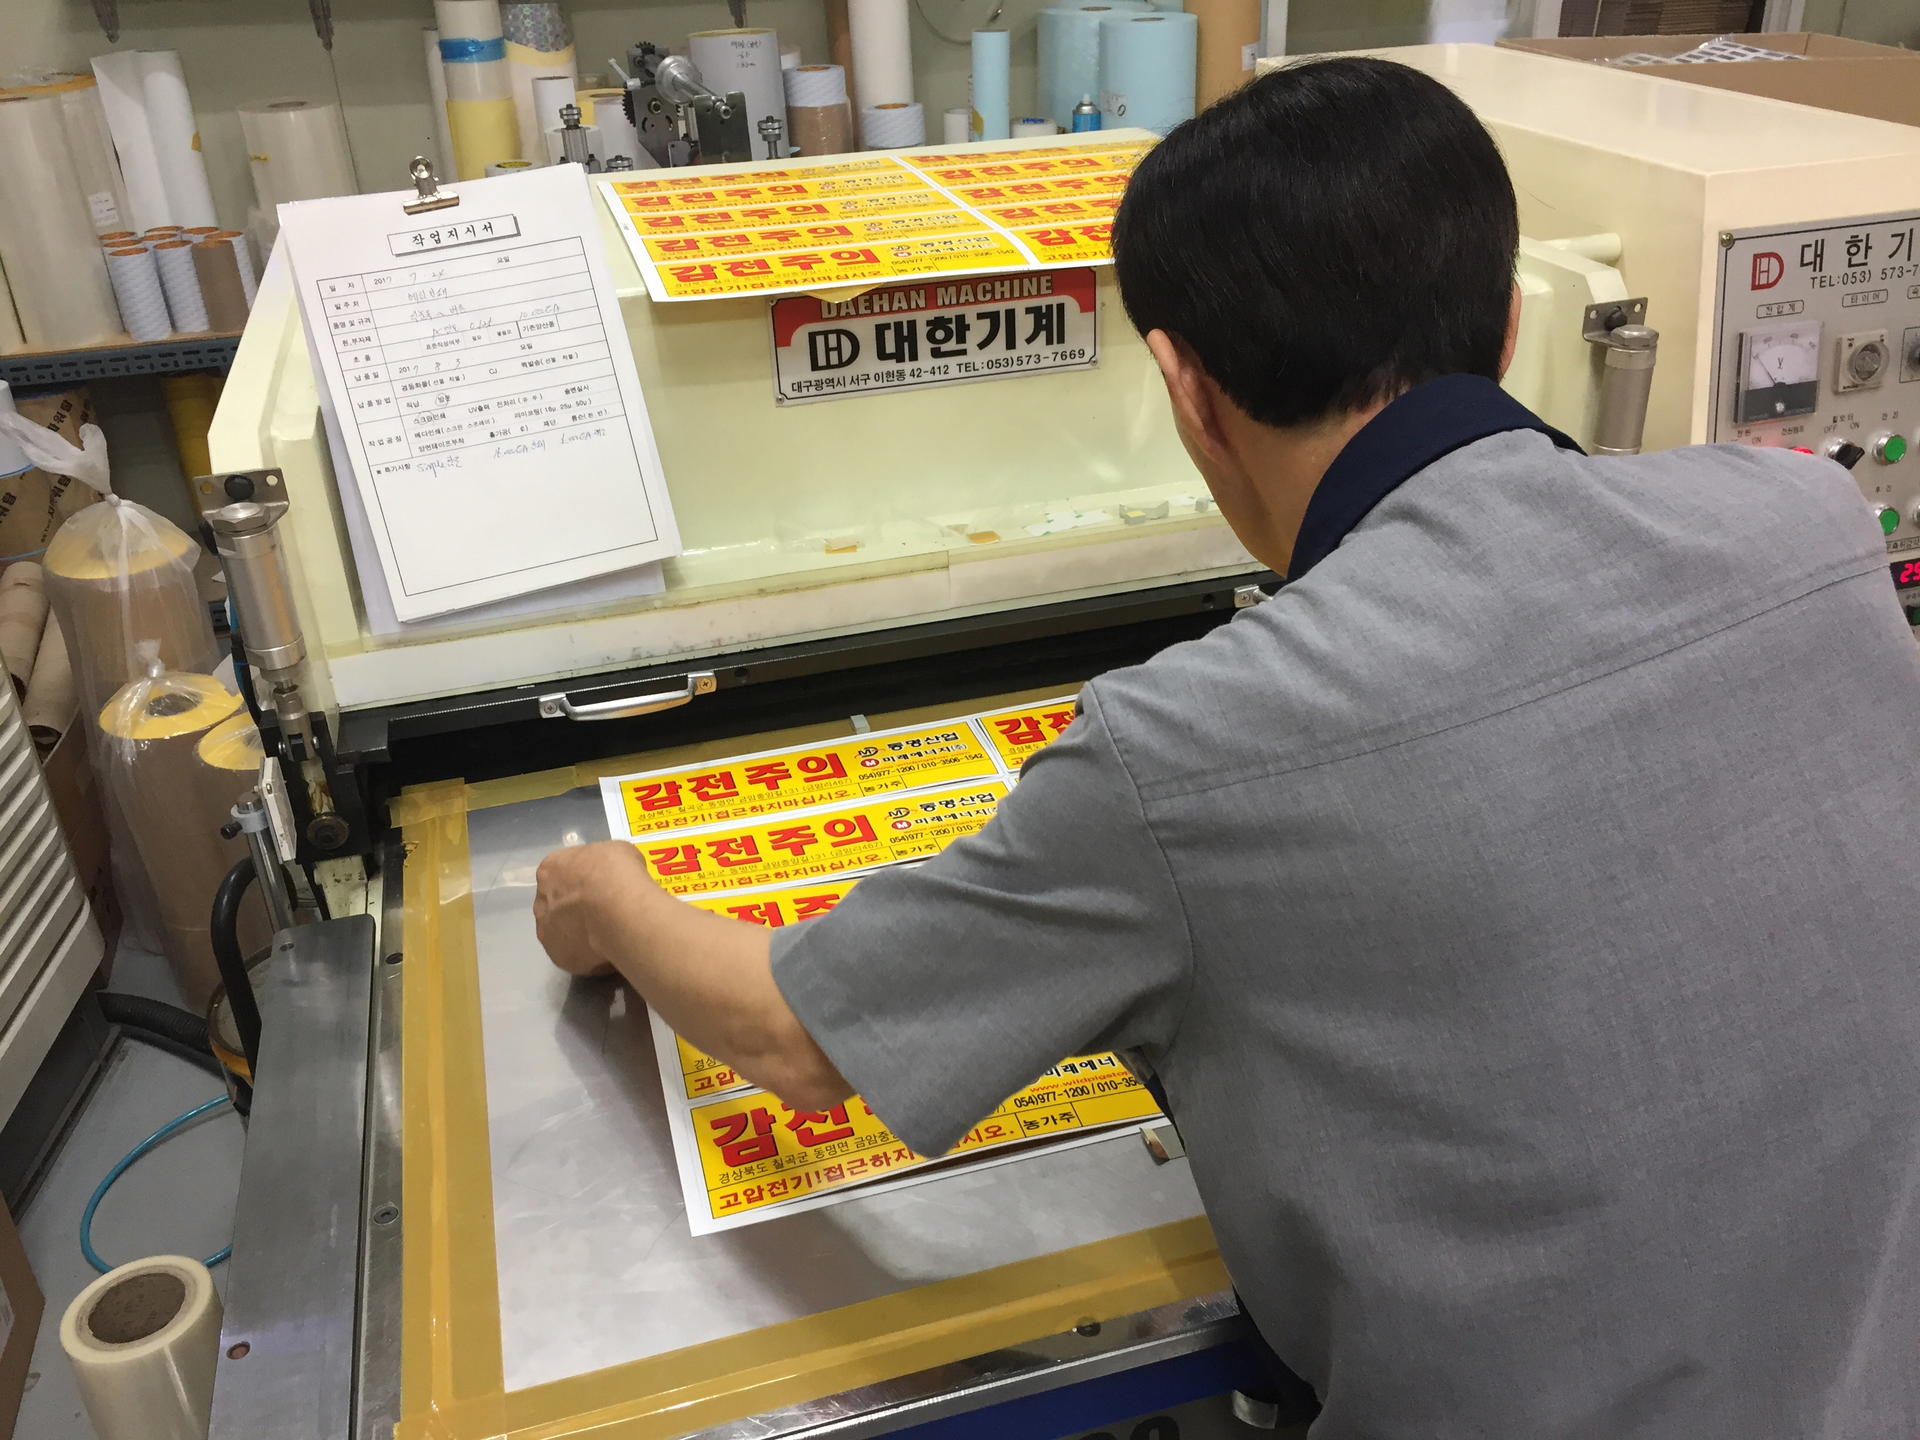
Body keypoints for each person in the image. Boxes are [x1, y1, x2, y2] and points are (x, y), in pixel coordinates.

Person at [535, 56, 1920, 1438]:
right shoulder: (1805, 522)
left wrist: (604, 897)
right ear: (1510, 323)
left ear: (1184, 386)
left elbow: (796, 1037)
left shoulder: (1184, 751)